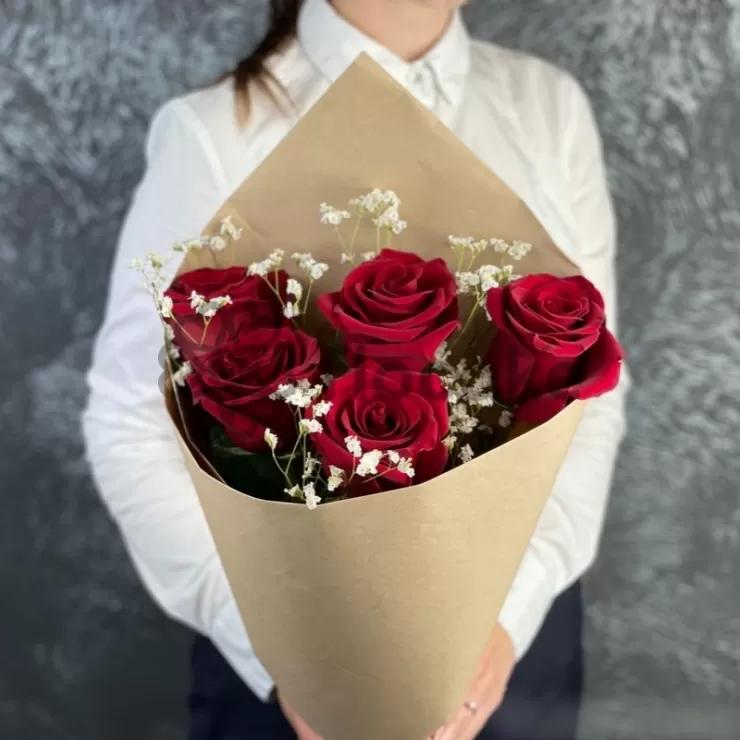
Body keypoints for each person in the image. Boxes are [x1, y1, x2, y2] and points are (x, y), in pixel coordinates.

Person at [82, 0, 628, 737]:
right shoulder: (217, 131)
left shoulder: (548, 109)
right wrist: (284, 655)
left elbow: (594, 393)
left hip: (513, 668)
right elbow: (130, 419)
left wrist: (510, 616)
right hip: (287, 674)